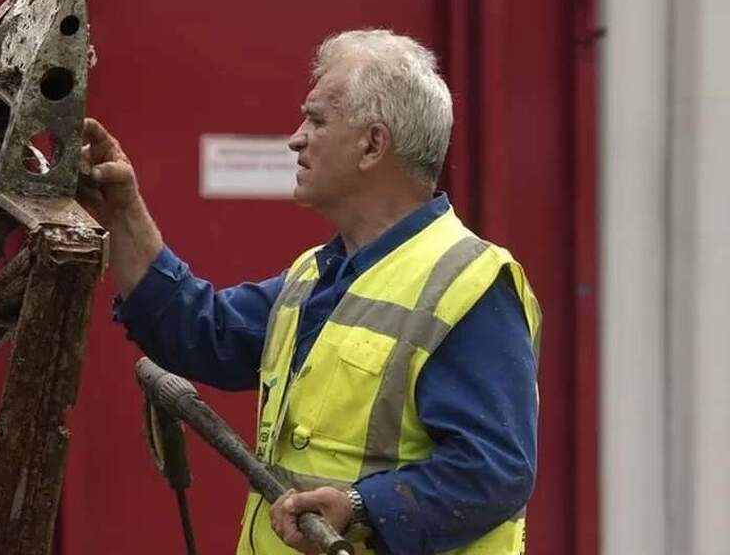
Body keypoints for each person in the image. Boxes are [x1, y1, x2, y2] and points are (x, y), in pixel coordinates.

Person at [78, 29, 542, 555]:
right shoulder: (316, 277)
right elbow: (200, 332)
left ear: (373, 144)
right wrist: (122, 212)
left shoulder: (470, 284)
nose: (295, 138)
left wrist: (363, 506)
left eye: (317, 120)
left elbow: (497, 470)